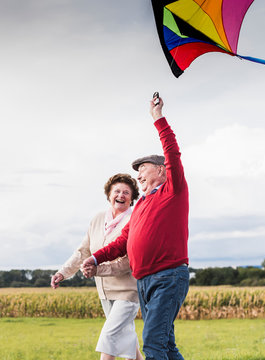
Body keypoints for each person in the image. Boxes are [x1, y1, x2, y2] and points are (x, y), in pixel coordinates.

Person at [82, 96, 189, 360]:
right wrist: (95, 257)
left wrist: (157, 117)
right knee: (166, 345)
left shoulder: (172, 191)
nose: (138, 174)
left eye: (143, 168)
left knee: (153, 344)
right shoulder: (141, 204)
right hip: (145, 281)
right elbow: (123, 242)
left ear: (162, 170)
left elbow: (173, 152)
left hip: (167, 277)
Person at [51, 173, 144, 360]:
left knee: (110, 336)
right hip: (104, 292)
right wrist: (63, 272)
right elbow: (84, 251)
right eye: (117, 191)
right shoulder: (98, 218)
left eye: (127, 192)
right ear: (109, 195)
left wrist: (97, 269)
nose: (121, 195)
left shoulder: (135, 220)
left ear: (132, 197)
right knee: (128, 341)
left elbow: (128, 260)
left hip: (128, 292)